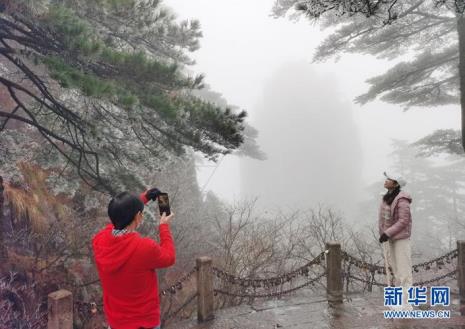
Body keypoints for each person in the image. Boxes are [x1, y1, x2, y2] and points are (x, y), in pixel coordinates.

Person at [92, 188, 175, 329]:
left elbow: (117, 220)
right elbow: (169, 257)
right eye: (140, 214)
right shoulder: (144, 247)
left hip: (116, 322)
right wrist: (164, 227)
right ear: (138, 216)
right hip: (145, 322)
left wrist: (144, 198)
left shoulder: (99, 241)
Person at [378, 172, 413, 310]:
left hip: (400, 239)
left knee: (404, 271)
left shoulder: (402, 199)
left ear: (396, 183)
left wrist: (387, 233)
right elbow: (382, 218)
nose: (386, 181)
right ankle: (398, 301)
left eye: (389, 179)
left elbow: (404, 220)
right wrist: (383, 233)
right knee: (395, 270)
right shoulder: (387, 197)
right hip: (389, 238)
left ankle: (406, 304)